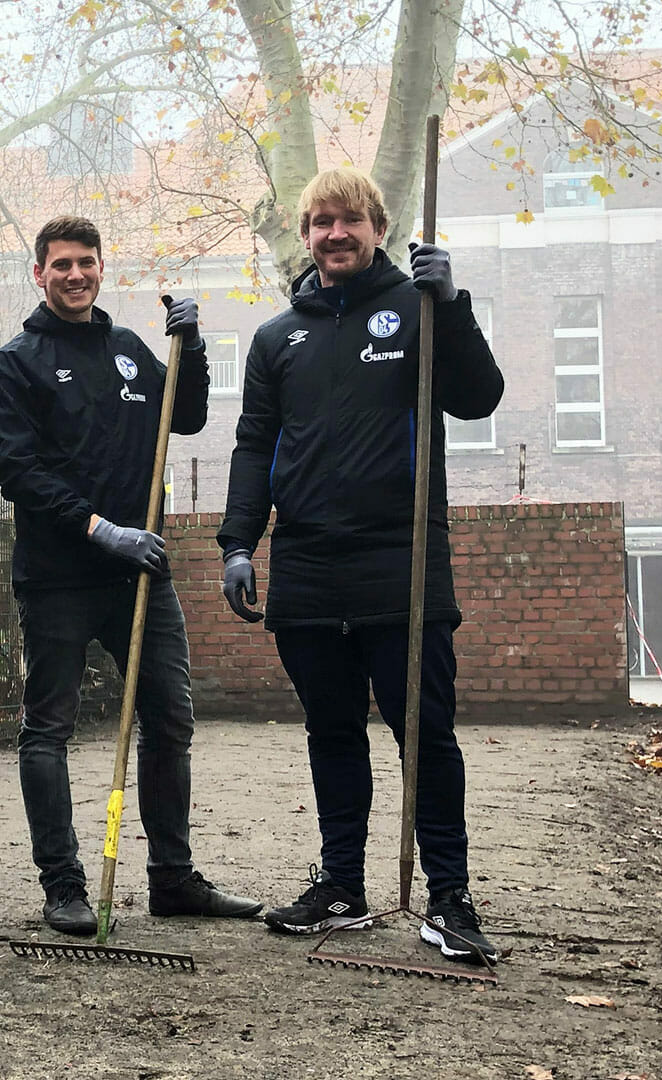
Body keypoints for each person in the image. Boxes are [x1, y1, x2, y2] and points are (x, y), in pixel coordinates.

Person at [217, 166, 505, 963]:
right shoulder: (280, 338)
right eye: (318, 222)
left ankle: (449, 897)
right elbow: (253, 444)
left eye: (348, 219)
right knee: (331, 730)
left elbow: (479, 396)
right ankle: (342, 884)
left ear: (377, 226)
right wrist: (240, 542)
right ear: (305, 236)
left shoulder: (418, 310)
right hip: (307, 563)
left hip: (401, 558)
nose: (333, 234)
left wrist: (452, 304)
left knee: (426, 733)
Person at [0, 214, 262, 937]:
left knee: (169, 718)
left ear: (102, 268)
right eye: (62, 265)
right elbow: (20, 474)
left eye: (87, 263)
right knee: (49, 728)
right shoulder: (17, 363)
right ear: (39, 274)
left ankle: (172, 878)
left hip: (141, 577)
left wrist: (191, 345)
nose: (76, 275)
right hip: (59, 579)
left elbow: (188, 417)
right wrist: (103, 530)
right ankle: (64, 885)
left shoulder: (132, 349)